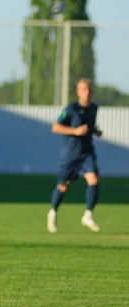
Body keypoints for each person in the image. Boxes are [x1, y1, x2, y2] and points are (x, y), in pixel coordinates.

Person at [47, 78, 102, 233]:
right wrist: (75, 131)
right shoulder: (71, 109)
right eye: (84, 89)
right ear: (78, 91)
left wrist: (96, 131)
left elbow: (91, 126)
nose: (87, 92)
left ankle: (88, 214)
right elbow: (56, 127)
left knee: (94, 179)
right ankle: (52, 212)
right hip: (71, 155)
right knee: (63, 186)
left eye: (89, 89)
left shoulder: (94, 109)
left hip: (87, 153)